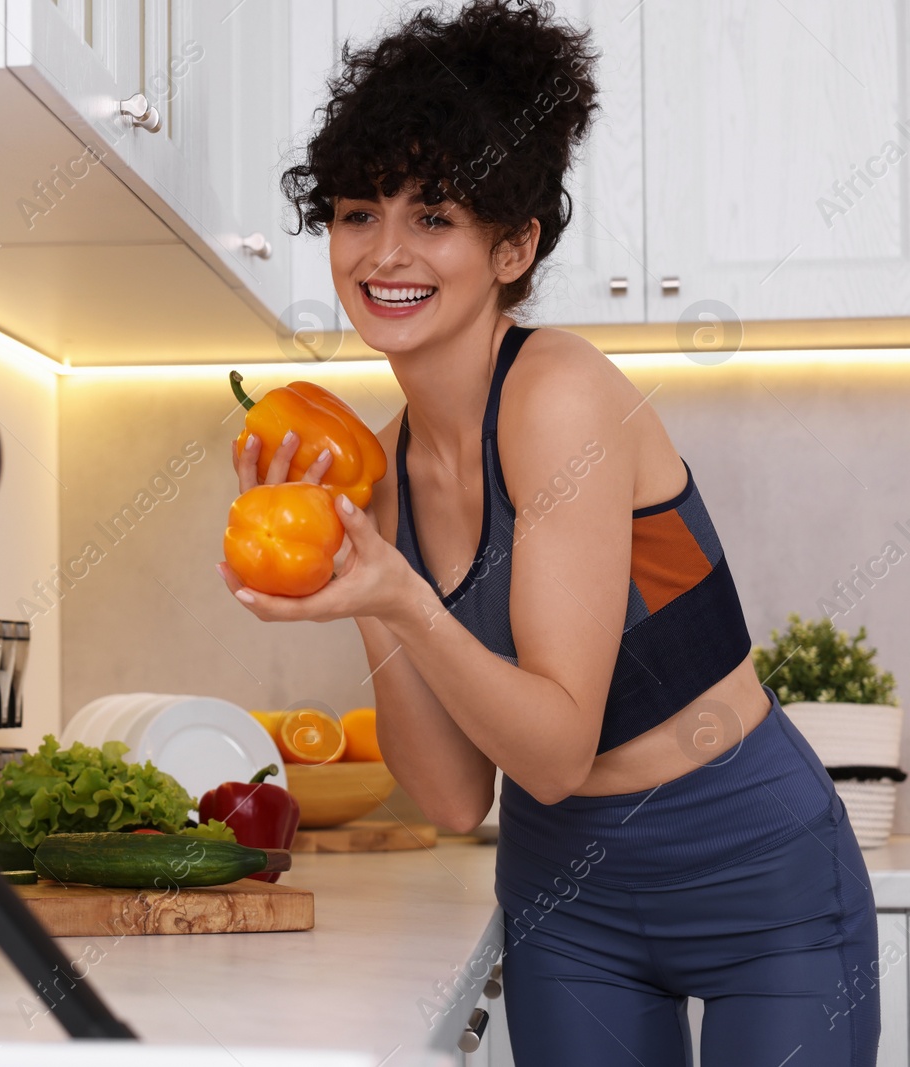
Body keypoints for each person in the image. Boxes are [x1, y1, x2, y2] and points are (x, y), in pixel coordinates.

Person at [217, 2, 879, 1062]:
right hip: (566, 891)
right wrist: (357, 574)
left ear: (512, 245)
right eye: (355, 212)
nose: (383, 251)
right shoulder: (376, 470)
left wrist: (399, 596)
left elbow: (559, 745)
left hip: (753, 870)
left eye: (433, 215)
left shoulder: (558, 393)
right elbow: (447, 795)